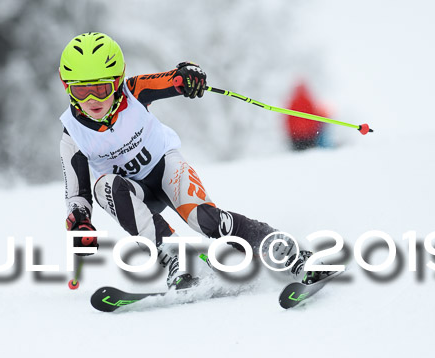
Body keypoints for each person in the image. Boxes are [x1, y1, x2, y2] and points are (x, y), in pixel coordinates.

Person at [58, 32, 326, 289]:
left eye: (102, 89)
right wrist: (80, 222)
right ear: (67, 87)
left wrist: (188, 75)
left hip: (165, 170)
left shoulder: (133, 92)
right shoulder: (73, 136)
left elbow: (172, 78)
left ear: (117, 82)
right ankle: (180, 260)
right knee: (102, 186)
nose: (92, 100)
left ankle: (294, 255)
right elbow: (76, 195)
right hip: (131, 193)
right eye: (81, 92)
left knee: (207, 220)